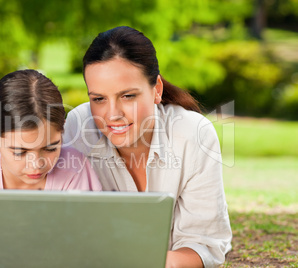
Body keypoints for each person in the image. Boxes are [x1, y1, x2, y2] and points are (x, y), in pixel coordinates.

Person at [63, 26, 232, 267]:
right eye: (98, 99)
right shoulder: (79, 128)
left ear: (157, 90)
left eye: (128, 96)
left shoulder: (194, 134)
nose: (112, 115)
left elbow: (206, 245)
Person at [0, 69, 102, 265]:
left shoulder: (75, 167)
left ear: (62, 131)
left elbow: (80, 246)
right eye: (20, 152)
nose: (37, 164)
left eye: (50, 147)